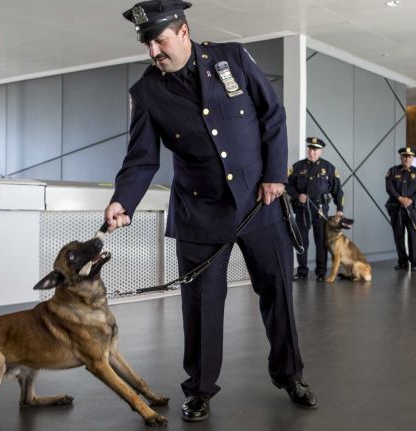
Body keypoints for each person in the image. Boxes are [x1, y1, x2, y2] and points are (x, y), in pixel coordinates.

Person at [105, 0, 317, 422]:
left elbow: (272, 114)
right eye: (146, 44)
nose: (153, 52)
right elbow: (142, 158)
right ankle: (200, 389)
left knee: (277, 293)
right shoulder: (146, 92)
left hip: (261, 202)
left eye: (159, 41)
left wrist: (276, 173)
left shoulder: (232, 59)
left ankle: (289, 374)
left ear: (182, 32)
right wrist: (122, 200)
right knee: (201, 307)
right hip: (199, 215)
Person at [286, 137, 344, 282]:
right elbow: (287, 185)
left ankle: (321, 272)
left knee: (321, 241)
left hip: (320, 210)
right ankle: (302, 271)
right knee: (302, 241)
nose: (312, 152)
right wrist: (297, 195)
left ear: (320, 151)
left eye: (315, 150)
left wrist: (340, 208)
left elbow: (338, 191)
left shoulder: (329, 168)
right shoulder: (297, 167)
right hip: (302, 210)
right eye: (310, 149)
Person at [385, 147, 416, 271]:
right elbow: (389, 187)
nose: (407, 158)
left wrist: (410, 200)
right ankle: (402, 262)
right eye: (404, 156)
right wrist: (399, 198)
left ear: (413, 158)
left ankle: (415, 263)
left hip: (412, 209)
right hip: (396, 208)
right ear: (400, 157)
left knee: (413, 236)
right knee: (399, 236)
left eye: (409, 156)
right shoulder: (392, 171)